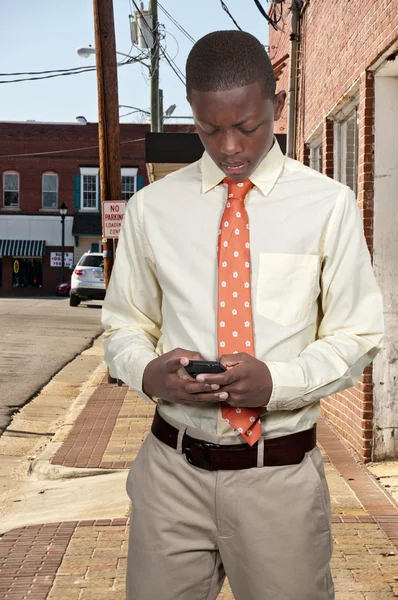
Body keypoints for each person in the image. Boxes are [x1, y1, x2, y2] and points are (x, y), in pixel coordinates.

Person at [102, 30, 384, 600]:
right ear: (194, 117)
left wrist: (275, 382)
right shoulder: (151, 209)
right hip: (170, 475)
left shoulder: (328, 206)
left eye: (248, 127)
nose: (229, 146)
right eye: (210, 129)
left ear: (276, 105)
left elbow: (356, 335)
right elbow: (124, 325)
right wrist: (147, 371)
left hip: (277, 480)